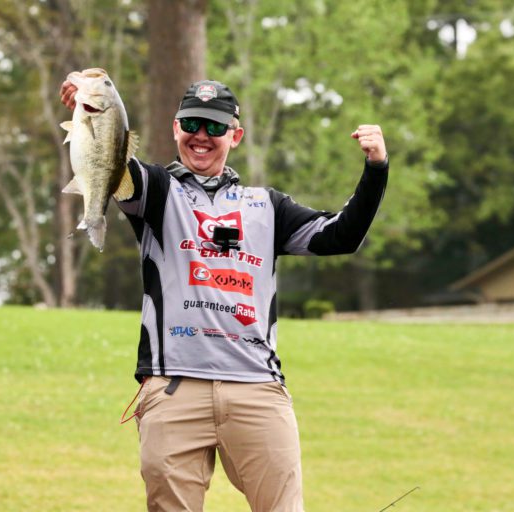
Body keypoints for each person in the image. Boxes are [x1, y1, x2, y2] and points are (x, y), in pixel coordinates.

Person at [59, 76, 388, 512]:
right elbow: (113, 164)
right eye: (192, 123)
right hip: (174, 385)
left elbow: (341, 237)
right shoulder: (157, 191)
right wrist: (88, 101)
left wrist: (376, 169)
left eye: (215, 127)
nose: (202, 136)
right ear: (176, 127)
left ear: (236, 135)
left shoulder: (268, 206)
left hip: (257, 387)